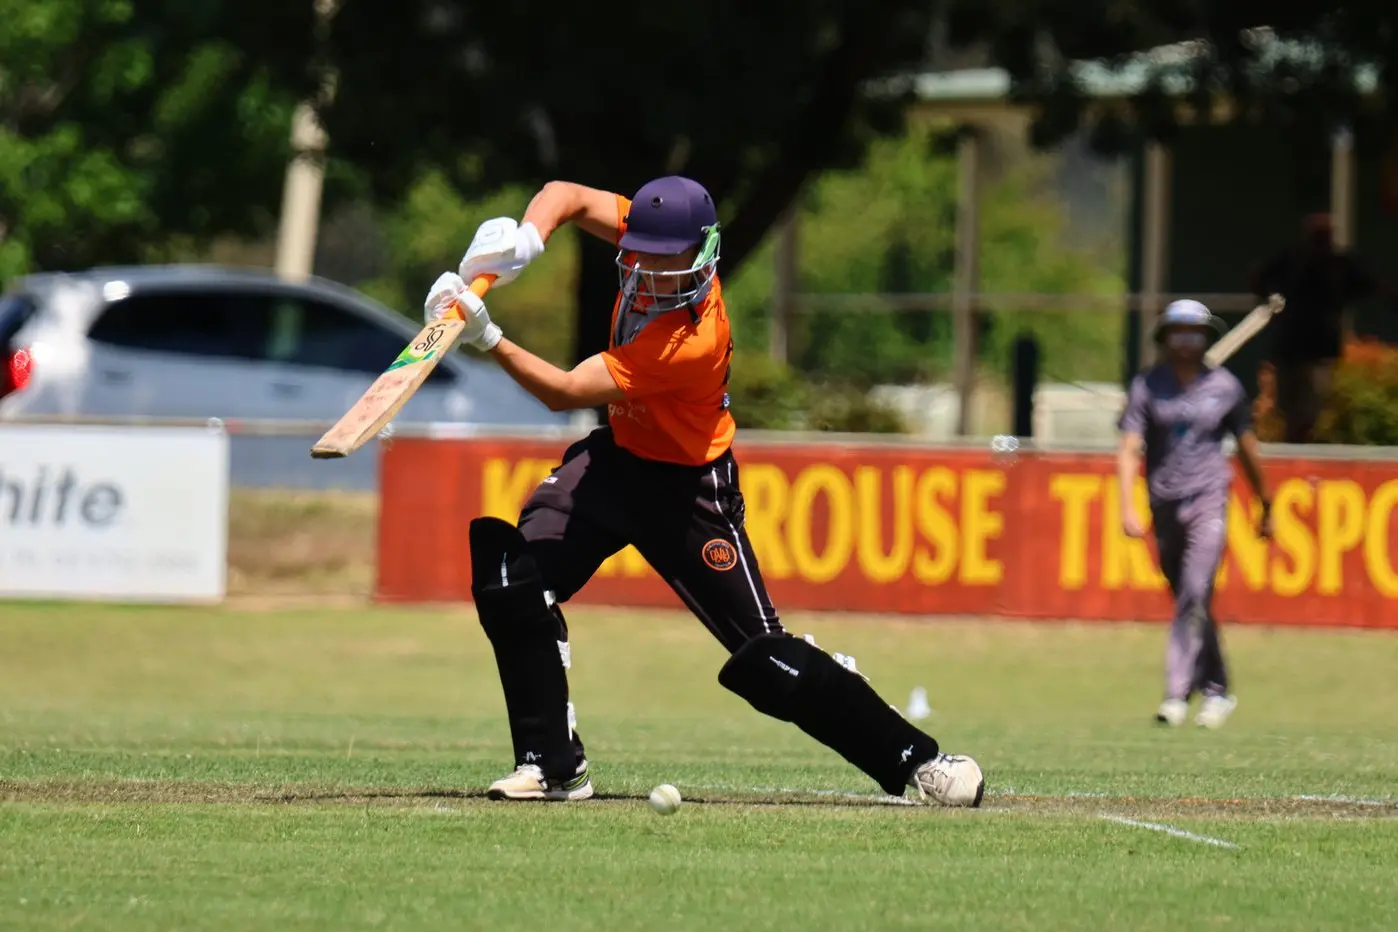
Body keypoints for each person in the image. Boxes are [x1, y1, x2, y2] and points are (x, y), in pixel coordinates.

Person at [421, 175, 984, 806]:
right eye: (648, 255)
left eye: (673, 261)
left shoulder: (694, 337)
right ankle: (551, 767)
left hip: (689, 490)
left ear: (703, 252)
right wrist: (527, 238)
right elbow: (567, 194)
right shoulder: (647, 233)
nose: (657, 272)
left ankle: (920, 760)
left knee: (767, 660)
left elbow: (564, 392)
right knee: (511, 578)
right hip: (613, 465)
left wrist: (487, 337)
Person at [1117, 299, 1273, 729]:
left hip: (1209, 501)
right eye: (1179, 331)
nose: (1187, 339)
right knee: (1189, 598)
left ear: (1206, 337)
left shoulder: (1225, 387)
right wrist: (1128, 504)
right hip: (1163, 504)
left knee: (1195, 591)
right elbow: (1130, 447)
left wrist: (1266, 501)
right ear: (1166, 337)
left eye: (1195, 331)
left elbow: (1246, 447)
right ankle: (1219, 689)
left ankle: (1176, 693)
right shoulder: (1147, 387)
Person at [1250, 213, 1385, 442]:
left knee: (1313, 409)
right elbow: (1258, 279)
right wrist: (1274, 301)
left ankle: (1303, 443)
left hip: (1318, 349)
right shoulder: (1293, 260)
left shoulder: (1338, 264)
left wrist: (1343, 299)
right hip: (1294, 347)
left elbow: (1370, 286)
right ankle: (1295, 444)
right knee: (1292, 408)